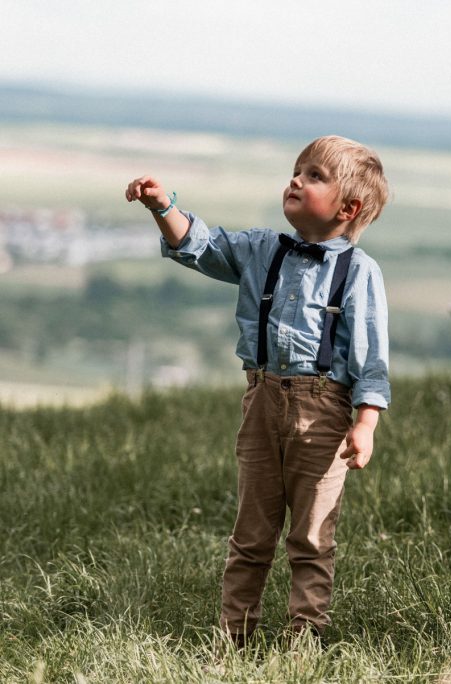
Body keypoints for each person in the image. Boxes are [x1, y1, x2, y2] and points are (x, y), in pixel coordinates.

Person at [124, 135, 391, 646]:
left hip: (324, 412)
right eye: (298, 170)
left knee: (311, 536)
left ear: (349, 207)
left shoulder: (359, 272)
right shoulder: (262, 249)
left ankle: (302, 642)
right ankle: (233, 638)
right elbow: (201, 247)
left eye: (315, 176)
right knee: (251, 534)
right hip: (261, 401)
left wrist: (366, 423)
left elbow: (370, 357)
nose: (296, 179)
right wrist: (163, 207)